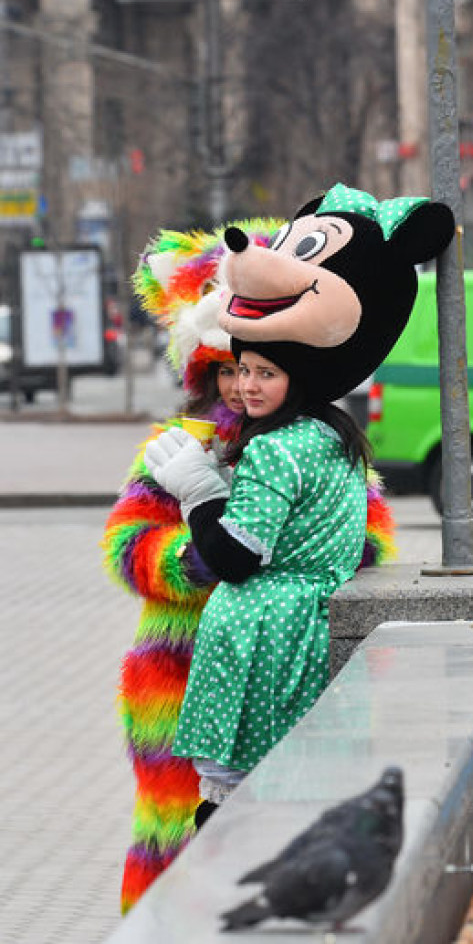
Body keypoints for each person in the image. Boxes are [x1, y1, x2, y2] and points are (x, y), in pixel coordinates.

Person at [103, 223, 396, 911]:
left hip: (281, 660)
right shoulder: (179, 443)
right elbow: (128, 545)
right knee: (176, 835)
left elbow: (370, 546)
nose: (241, 385)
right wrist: (192, 563)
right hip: (180, 673)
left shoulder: (316, 438)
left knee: (273, 826)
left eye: (255, 370)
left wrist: (276, 552)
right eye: (229, 370)